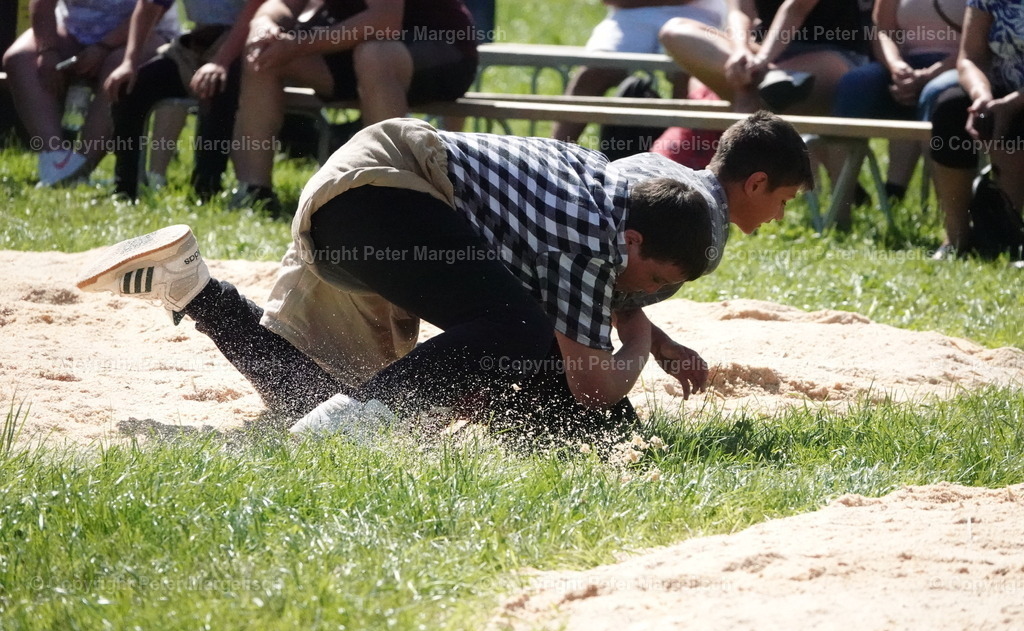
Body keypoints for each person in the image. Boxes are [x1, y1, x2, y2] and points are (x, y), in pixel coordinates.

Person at [77, 112, 812, 442]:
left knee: (318, 397)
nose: (637, 293)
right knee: (522, 340)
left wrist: (642, 332)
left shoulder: (615, 202)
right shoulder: (596, 235)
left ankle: (192, 287)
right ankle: (355, 428)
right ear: (634, 239)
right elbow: (592, 382)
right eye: (649, 280)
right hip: (387, 189)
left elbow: (588, 360)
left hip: (374, 199)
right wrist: (640, 333)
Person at [228, 0, 479, 210]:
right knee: (263, 53)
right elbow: (281, 4)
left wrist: (296, 45)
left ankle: (392, 193)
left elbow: (384, 21)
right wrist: (264, 24)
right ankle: (254, 191)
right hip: (357, 49)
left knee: (375, 55)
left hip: (441, 50)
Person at [2, 0, 179, 187]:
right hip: (73, 29)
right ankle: (55, 158)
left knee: (117, 68)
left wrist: (103, 47)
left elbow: (151, 11)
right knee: (20, 58)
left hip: (144, 33)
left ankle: (82, 165)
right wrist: (48, 51)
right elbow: (42, 4)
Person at [103, 0, 268, 200]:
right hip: (195, 46)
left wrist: (220, 62)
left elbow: (254, 13)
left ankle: (206, 189)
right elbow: (148, 6)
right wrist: (129, 62)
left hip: (246, 46)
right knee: (129, 87)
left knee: (217, 84)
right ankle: (125, 188)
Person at [833, 0, 965, 201]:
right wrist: (897, 67)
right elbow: (882, 30)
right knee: (855, 84)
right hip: (905, 66)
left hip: (961, 68)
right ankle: (841, 206)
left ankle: (950, 213)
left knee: (935, 92)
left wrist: (928, 75)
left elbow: (980, 42)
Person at [550, 0, 727, 145]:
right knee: (592, 73)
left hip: (696, 13)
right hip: (629, 14)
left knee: (686, 76)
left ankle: (681, 162)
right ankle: (553, 156)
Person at [928, 0, 1024, 256]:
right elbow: (970, 57)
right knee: (950, 109)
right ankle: (956, 238)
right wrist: (982, 98)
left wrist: (1012, 104)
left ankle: (1008, 236)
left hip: (1016, 99)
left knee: (1017, 123)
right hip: (1000, 91)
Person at [658, 0, 870, 114]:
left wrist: (762, 59)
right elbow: (740, 11)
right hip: (765, 56)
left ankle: (734, 187)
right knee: (676, 31)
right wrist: (741, 50)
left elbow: (795, 8)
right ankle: (771, 80)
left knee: (750, 96)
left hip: (833, 55)